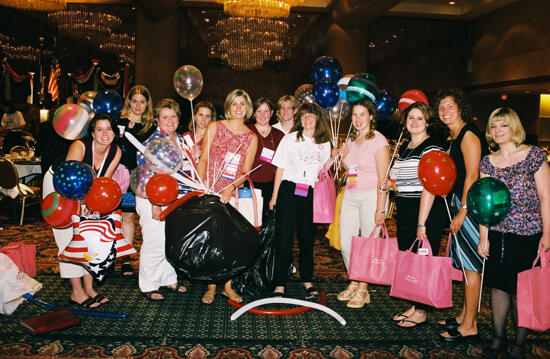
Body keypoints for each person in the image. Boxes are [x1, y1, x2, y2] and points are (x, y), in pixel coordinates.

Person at [478, 108, 550, 359]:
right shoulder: (487, 162)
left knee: (521, 291)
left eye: (503, 125)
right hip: (498, 233)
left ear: (514, 127)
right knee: (498, 287)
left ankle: (519, 343)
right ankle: (498, 338)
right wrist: (483, 236)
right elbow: (483, 204)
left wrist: (548, 234)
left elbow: (546, 197)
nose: (498, 131)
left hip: (528, 233)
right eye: (494, 126)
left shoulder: (533, 156)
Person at [42, 113, 122, 308]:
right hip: (60, 187)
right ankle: (76, 292)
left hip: (87, 191)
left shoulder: (115, 152)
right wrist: (82, 208)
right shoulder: (79, 146)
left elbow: (103, 182)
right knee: (69, 238)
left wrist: (92, 208)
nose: (105, 134)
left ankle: (89, 288)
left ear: (115, 132)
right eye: (99, 129)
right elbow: (70, 183)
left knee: (90, 238)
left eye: (109, 129)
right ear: (92, 133)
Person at [431, 89, 489, 341]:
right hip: (461, 203)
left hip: (472, 208)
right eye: (441, 107)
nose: (445, 111)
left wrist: (462, 212)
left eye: (450, 106)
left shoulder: (468, 135)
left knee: (471, 267)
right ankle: (465, 316)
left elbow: (473, 176)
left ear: (461, 108)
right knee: (466, 265)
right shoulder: (455, 136)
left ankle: (470, 324)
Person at [388, 102, 448, 326]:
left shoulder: (432, 146)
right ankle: (415, 304)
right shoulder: (405, 146)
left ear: (428, 122)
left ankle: (421, 311)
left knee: (422, 260)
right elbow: (401, 180)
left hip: (426, 210)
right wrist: (390, 184)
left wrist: (422, 223)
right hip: (406, 208)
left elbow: (431, 186)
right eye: (411, 118)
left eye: (419, 118)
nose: (414, 122)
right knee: (410, 258)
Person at [197, 89, 258, 304]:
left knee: (230, 241)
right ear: (229, 107)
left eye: (243, 104)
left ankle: (228, 286)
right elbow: (203, 158)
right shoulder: (214, 127)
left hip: (231, 194)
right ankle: (211, 286)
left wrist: (230, 188)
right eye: (235, 104)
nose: (239, 108)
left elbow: (246, 171)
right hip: (209, 189)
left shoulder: (251, 137)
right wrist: (203, 185)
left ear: (248, 108)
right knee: (211, 240)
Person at [269, 102, 335, 299]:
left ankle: (307, 280)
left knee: (307, 239)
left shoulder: (324, 143)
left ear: (318, 119)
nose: (307, 119)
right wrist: (274, 196)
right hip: (288, 191)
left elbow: (324, 170)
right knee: (284, 239)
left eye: (312, 116)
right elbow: (279, 168)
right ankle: (279, 284)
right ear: (300, 119)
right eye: (304, 116)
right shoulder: (290, 139)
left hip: (310, 193)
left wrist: (335, 155)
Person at [336, 99, 390, 308]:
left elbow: (383, 178)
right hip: (350, 195)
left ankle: (363, 289)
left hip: (370, 196)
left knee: (367, 245)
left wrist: (380, 208)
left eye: (362, 114)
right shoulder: (350, 141)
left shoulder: (378, 140)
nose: (358, 119)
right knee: (346, 244)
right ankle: (355, 280)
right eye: (355, 115)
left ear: (371, 117)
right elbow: (349, 169)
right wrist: (342, 157)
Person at [135, 98, 189, 301]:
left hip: (176, 197)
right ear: (157, 120)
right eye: (164, 117)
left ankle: (168, 278)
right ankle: (148, 284)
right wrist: (155, 203)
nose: (169, 120)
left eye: (173, 116)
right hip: (153, 197)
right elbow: (146, 175)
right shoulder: (151, 143)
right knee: (155, 241)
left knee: (170, 241)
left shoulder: (182, 140)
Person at [117, 84, 156, 276]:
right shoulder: (118, 122)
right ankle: (109, 256)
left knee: (129, 216)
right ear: (129, 102)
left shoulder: (150, 127)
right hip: (115, 175)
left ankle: (126, 258)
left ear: (147, 104)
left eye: (142, 102)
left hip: (138, 179)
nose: (138, 105)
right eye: (134, 101)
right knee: (113, 217)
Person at [248, 97, 284, 215]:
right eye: (259, 111)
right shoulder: (247, 131)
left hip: (271, 185)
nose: (262, 115)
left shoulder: (279, 135)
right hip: (249, 184)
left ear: (272, 113)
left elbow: (283, 164)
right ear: (254, 114)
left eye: (266, 111)